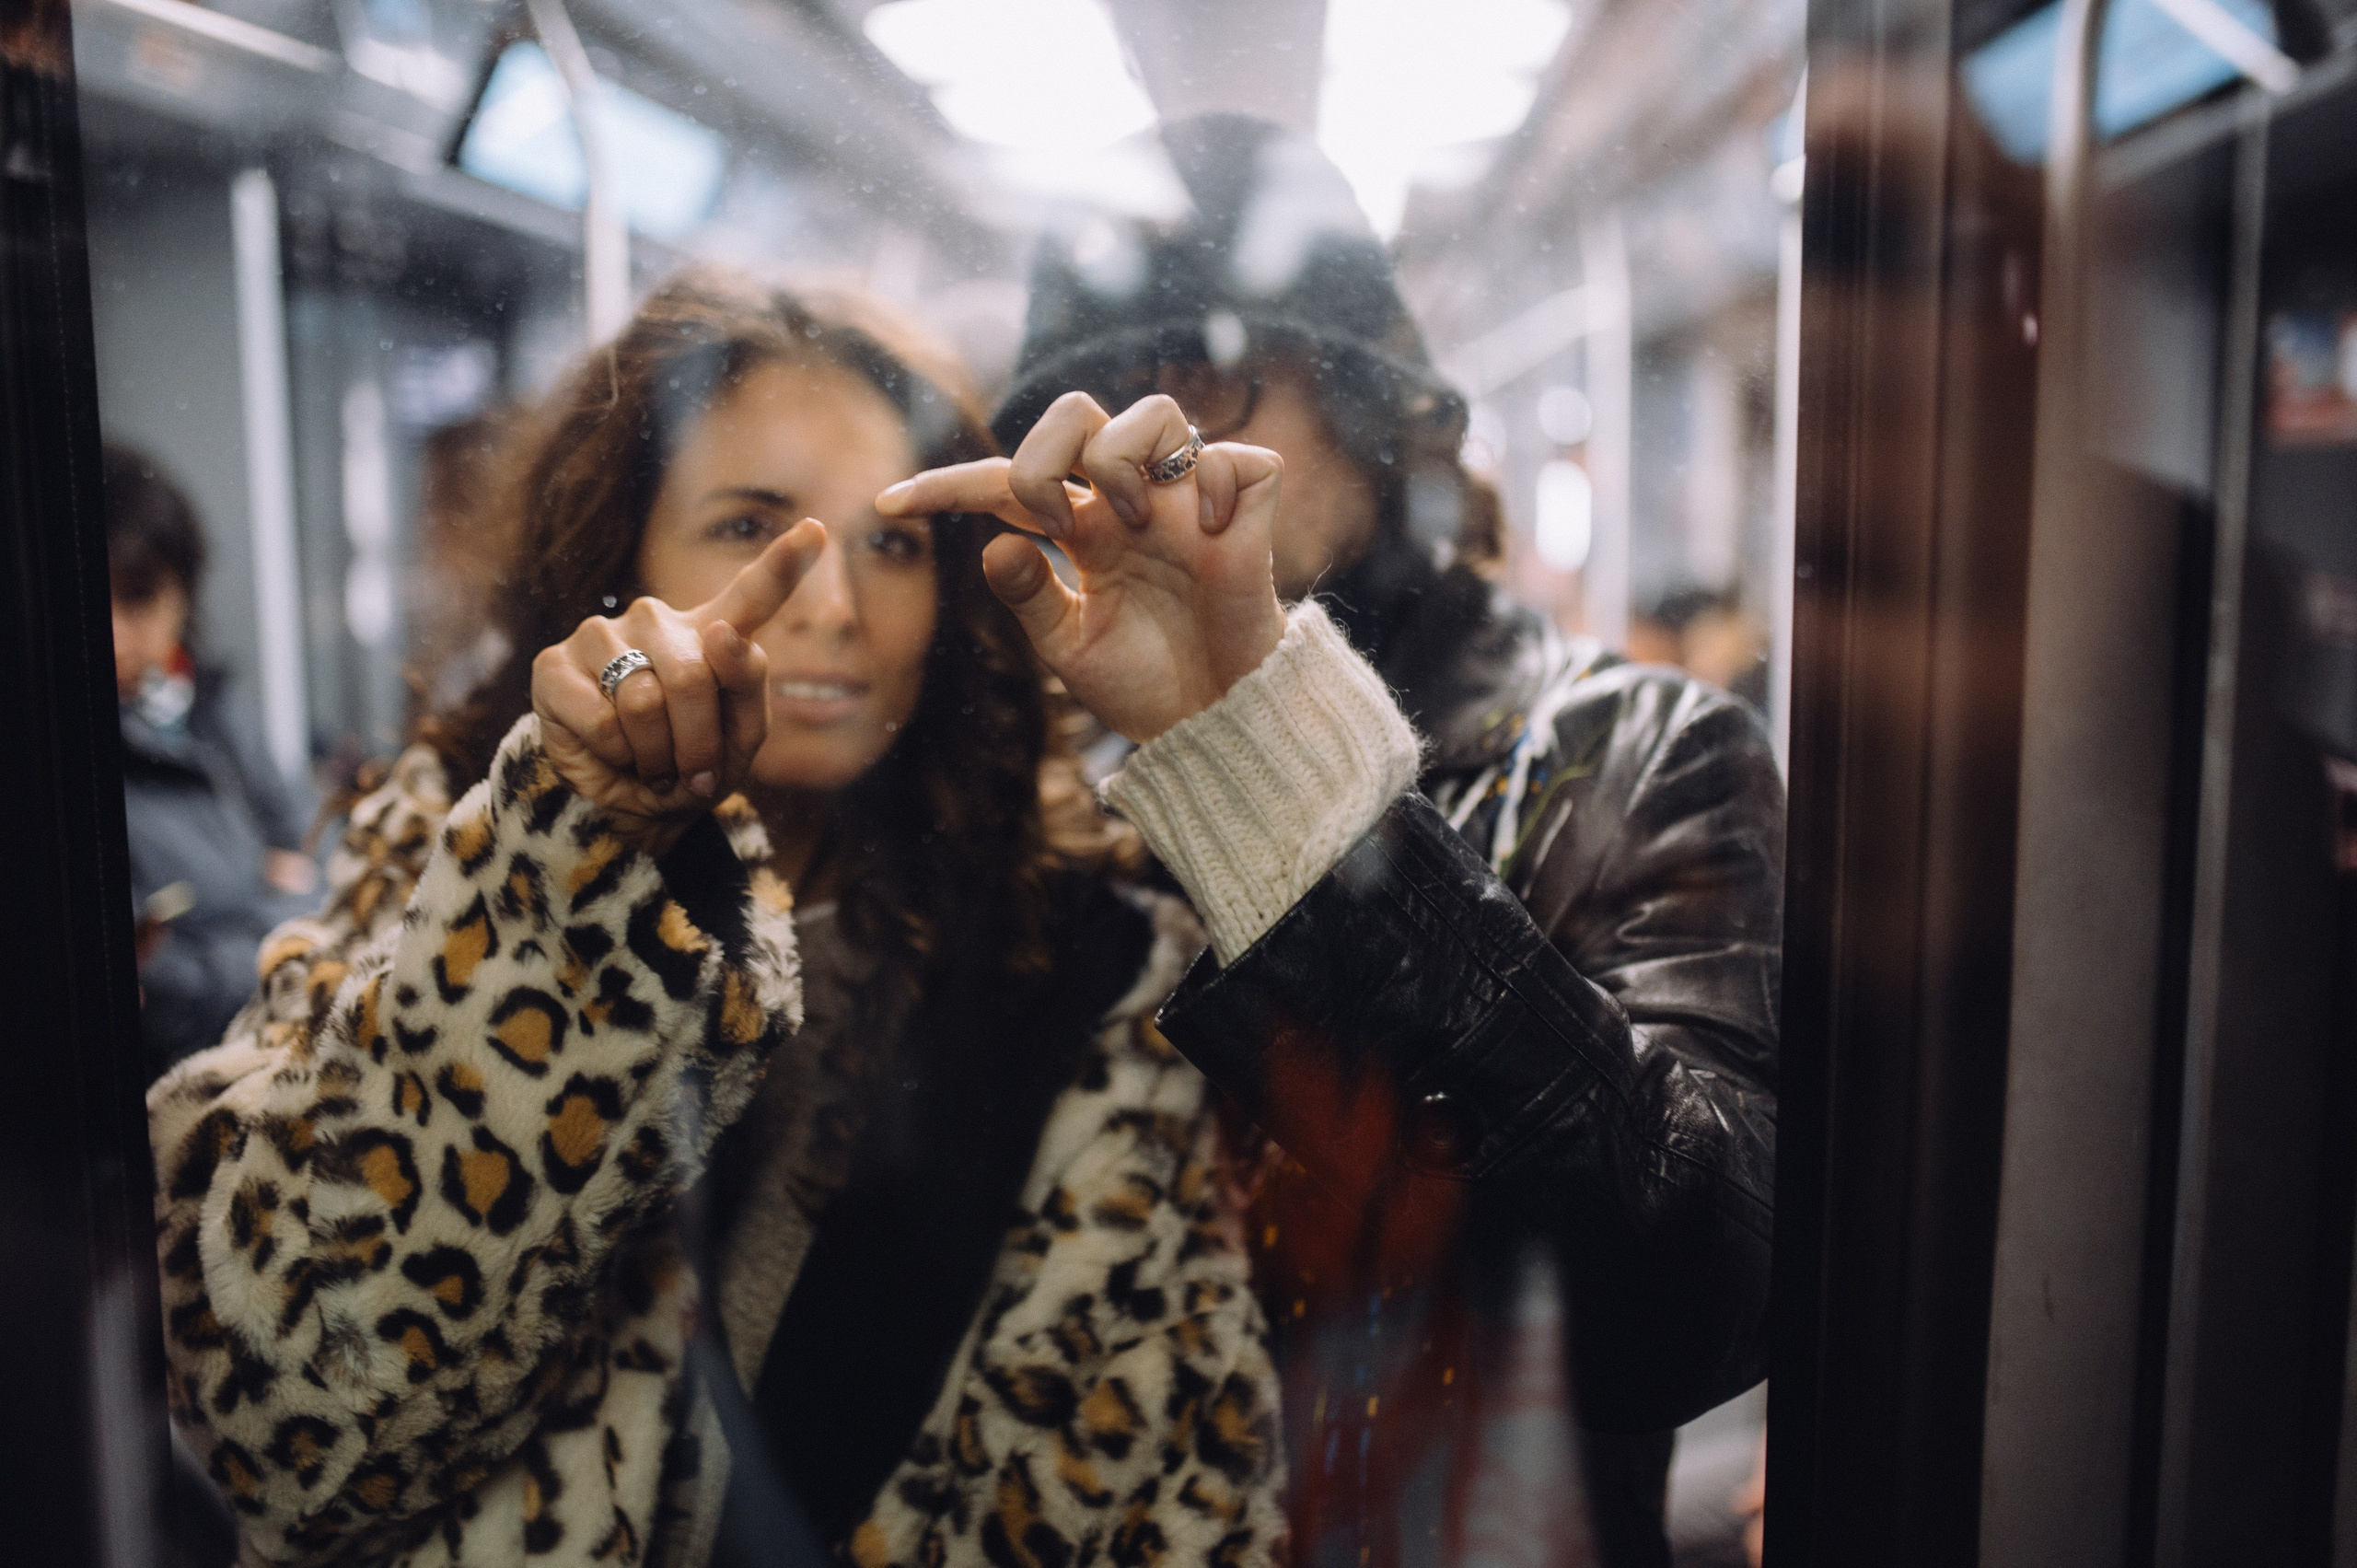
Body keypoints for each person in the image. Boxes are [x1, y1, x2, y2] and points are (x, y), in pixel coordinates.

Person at [148, 273, 1322, 1568]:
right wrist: (562, 885)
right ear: (621, 565)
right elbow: (286, 1444)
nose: (830, 604)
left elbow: (1177, 1499)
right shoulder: (446, 868)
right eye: (751, 524)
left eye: (888, 542)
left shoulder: (1084, 976)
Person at [981, 113, 1782, 1565]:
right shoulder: (1051, 789)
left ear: (1362, 395)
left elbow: (1689, 1296)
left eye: (1215, 381)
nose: (1144, 460)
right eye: (1105, 405)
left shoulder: (1639, 747)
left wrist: (1272, 767)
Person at [108, 444, 318, 1075]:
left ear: (184, 592)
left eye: (139, 597)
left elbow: (325, 850)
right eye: (89, 599)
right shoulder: (63, 766)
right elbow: (153, 990)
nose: (114, 633)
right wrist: (279, 899)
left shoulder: (216, 708)